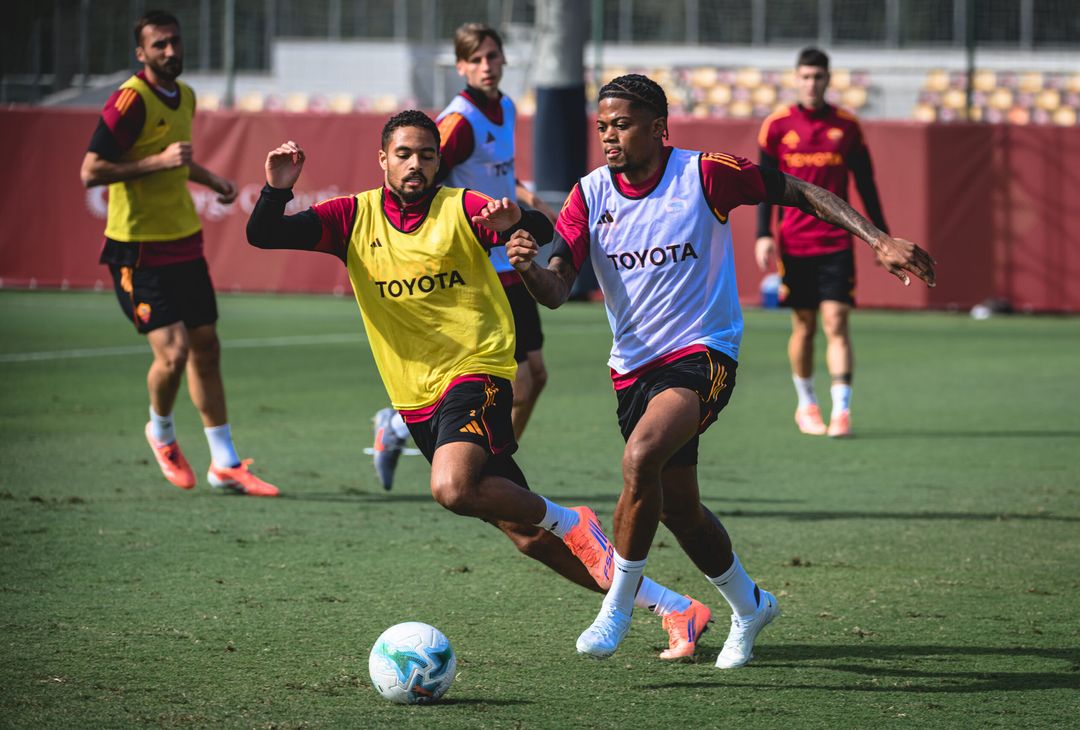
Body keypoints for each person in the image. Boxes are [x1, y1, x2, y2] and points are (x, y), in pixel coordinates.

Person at [246, 110, 715, 660]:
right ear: (383, 160)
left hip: (479, 368)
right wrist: (277, 190)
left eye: (426, 154)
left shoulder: (461, 206)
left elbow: (540, 228)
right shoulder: (352, 216)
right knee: (526, 536)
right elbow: (264, 233)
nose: (416, 164)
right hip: (415, 394)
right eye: (404, 154)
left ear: (439, 160)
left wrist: (514, 219)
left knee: (452, 488)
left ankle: (570, 518)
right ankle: (674, 607)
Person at [506, 74, 935, 666]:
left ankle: (618, 607)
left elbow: (799, 190)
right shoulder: (588, 196)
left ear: (658, 129)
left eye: (622, 124)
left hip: (705, 353)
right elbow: (556, 289)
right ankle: (751, 604)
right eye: (602, 125)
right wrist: (530, 269)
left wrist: (878, 238)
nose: (608, 136)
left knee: (639, 459)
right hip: (632, 370)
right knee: (679, 506)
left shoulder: (705, 174)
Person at [79, 10, 278, 497]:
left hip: (185, 243)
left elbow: (176, 162)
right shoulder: (130, 100)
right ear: (141, 53)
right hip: (138, 250)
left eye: (175, 42)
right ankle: (161, 432)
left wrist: (213, 180)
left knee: (207, 348)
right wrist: (158, 161)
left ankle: (225, 463)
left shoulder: (184, 96)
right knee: (174, 353)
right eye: (159, 45)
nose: (170, 51)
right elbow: (91, 170)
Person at [372, 22, 559, 491]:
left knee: (533, 376)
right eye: (476, 59)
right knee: (516, 375)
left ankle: (474, 461)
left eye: (493, 57)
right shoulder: (457, 122)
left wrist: (526, 199)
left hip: (508, 257)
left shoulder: (507, 108)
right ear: (461, 66)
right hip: (478, 262)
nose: (487, 66)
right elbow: (425, 184)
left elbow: (496, 176)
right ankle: (478, 468)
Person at [755, 47, 890, 438]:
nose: (812, 83)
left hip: (837, 241)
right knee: (805, 324)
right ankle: (806, 403)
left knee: (837, 320)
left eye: (819, 76)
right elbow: (764, 184)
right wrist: (763, 234)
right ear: (796, 79)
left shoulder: (847, 126)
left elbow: (866, 183)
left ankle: (842, 410)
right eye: (806, 76)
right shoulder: (777, 126)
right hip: (794, 243)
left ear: (829, 80)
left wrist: (881, 238)